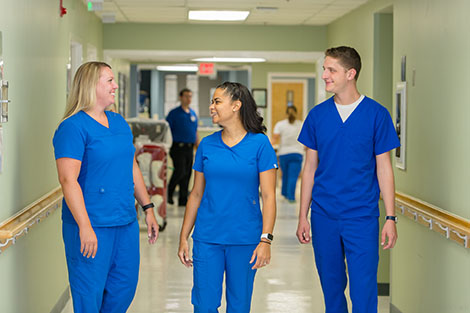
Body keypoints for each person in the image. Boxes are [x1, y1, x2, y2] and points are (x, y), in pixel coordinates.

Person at [296, 46, 400, 313]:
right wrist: (302, 216)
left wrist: (390, 217)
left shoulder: (377, 115)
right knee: (331, 287)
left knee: (363, 289)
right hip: (324, 215)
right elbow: (309, 169)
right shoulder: (318, 116)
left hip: (361, 216)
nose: (325, 75)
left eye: (331, 70)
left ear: (350, 73)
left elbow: (384, 168)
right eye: (324, 69)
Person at [53, 62, 159, 313]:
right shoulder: (72, 127)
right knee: (89, 294)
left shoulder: (119, 122)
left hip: (124, 221)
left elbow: (131, 166)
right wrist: (85, 226)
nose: (115, 85)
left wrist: (148, 207)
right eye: (109, 81)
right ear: (91, 85)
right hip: (92, 224)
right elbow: (68, 181)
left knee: (124, 287)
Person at [178, 82, 278, 313]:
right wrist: (184, 237)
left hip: (245, 239)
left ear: (236, 105)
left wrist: (266, 240)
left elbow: (268, 196)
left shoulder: (260, 144)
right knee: (203, 305)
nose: (211, 106)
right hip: (208, 238)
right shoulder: (207, 144)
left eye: (217, 101)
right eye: (212, 102)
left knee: (239, 306)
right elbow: (196, 193)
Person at [166, 88, 198, 206]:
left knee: (187, 174)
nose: (188, 98)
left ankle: (183, 200)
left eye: (190, 96)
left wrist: (197, 146)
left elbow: (195, 131)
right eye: (186, 96)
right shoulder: (174, 113)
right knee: (180, 171)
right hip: (177, 147)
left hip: (189, 148)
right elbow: (167, 130)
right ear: (180, 97)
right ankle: (169, 193)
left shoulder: (193, 113)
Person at [272, 105, 304, 202]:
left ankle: (285, 194)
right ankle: (291, 197)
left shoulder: (280, 124)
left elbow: (274, 139)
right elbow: (307, 140)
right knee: (293, 176)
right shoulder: (301, 124)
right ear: (296, 113)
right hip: (297, 153)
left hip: (283, 154)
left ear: (286, 113)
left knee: (285, 175)